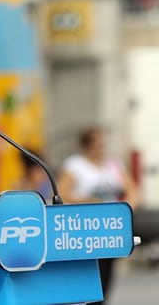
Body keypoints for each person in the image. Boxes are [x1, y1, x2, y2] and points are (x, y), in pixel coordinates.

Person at [59, 126, 141, 305]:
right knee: (91, 270)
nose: (101, 148)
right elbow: (62, 193)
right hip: (86, 226)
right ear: (87, 145)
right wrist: (86, 200)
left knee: (107, 271)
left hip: (110, 224)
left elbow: (132, 189)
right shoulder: (76, 165)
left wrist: (127, 209)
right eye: (97, 143)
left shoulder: (113, 165)